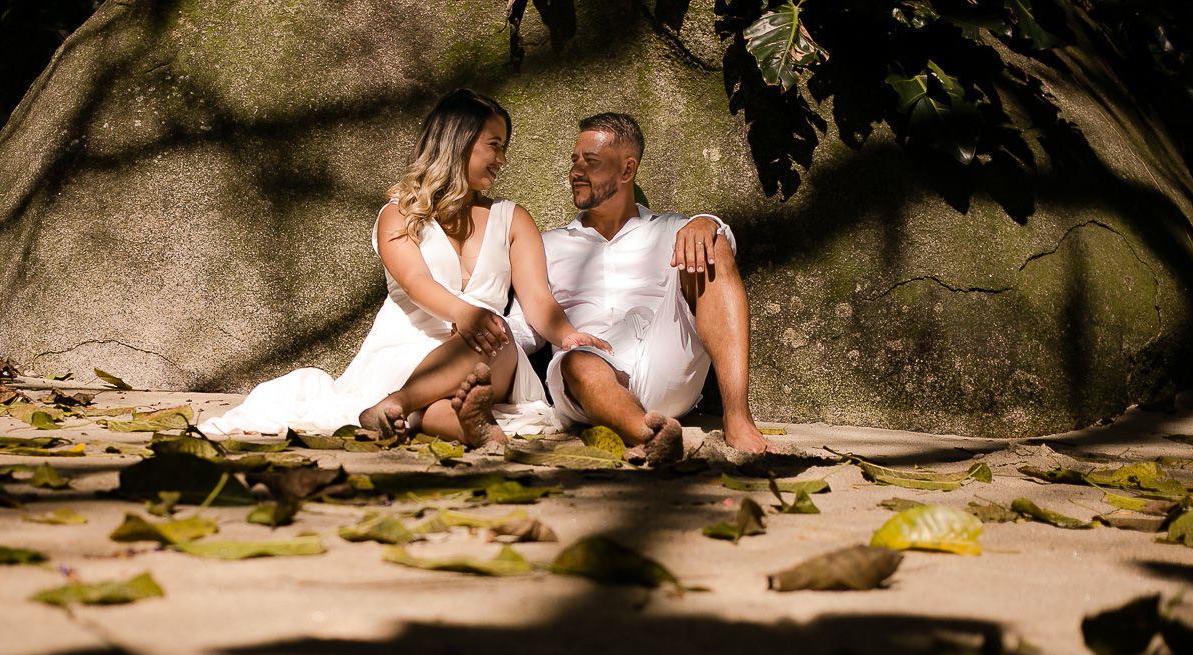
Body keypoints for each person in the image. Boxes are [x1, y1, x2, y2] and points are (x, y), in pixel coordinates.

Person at [198, 90, 607, 447]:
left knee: (494, 339)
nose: (502, 159)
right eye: (494, 146)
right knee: (465, 367)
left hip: (483, 348)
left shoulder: (513, 218)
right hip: (405, 349)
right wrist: (462, 312)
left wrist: (569, 336)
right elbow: (416, 282)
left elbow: (537, 298)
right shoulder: (399, 214)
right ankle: (433, 412)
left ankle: (409, 409)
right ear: (459, 143)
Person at [506, 112, 772, 463]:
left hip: (665, 363)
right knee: (580, 362)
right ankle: (648, 435)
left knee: (710, 243)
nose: (576, 172)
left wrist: (709, 223)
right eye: (574, 160)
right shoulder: (547, 244)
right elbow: (527, 325)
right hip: (587, 372)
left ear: (627, 170)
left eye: (591, 162)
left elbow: (721, 258)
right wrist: (482, 334)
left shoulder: (671, 229)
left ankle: (737, 417)